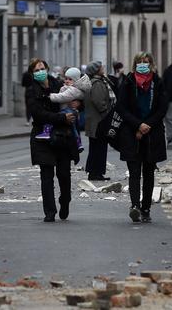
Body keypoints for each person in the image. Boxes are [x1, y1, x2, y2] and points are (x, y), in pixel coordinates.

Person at [115, 51, 170, 223]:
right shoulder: (128, 81)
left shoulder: (157, 82)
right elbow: (121, 108)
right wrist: (137, 125)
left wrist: (147, 125)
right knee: (134, 172)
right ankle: (135, 206)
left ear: (151, 64)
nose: (143, 64)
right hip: (132, 133)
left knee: (148, 172)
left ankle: (146, 207)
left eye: (146, 62)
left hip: (152, 134)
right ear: (135, 63)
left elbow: (162, 108)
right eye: (140, 62)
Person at [26, 59, 76, 222]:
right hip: (42, 136)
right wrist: (61, 117)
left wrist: (76, 107)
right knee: (46, 175)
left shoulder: (58, 84)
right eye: (36, 70)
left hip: (62, 136)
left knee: (64, 174)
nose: (40, 71)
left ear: (47, 69)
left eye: (42, 68)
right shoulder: (31, 90)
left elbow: (73, 98)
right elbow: (38, 114)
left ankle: (65, 201)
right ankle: (49, 211)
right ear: (32, 73)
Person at [42, 67, 92, 159]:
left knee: (72, 128)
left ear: (76, 80)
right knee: (72, 128)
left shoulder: (73, 89)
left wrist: (49, 97)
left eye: (70, 79)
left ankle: (77, 142)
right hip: (66, 111)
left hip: (67, 111)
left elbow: (62, 97)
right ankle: (78, 142)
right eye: (66, 78)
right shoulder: (68, 87)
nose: (67, 81)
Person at [83, 61, 115, 182]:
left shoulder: (96, 82)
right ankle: (95, 172)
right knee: (99, 148)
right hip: (99, 122)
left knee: (97, 148)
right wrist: (107, 115)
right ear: (96, 70)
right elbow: (99, 102)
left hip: (96, 122)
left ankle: (95, 172)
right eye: (101, 67)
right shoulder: (97, 84)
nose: (103, 68)